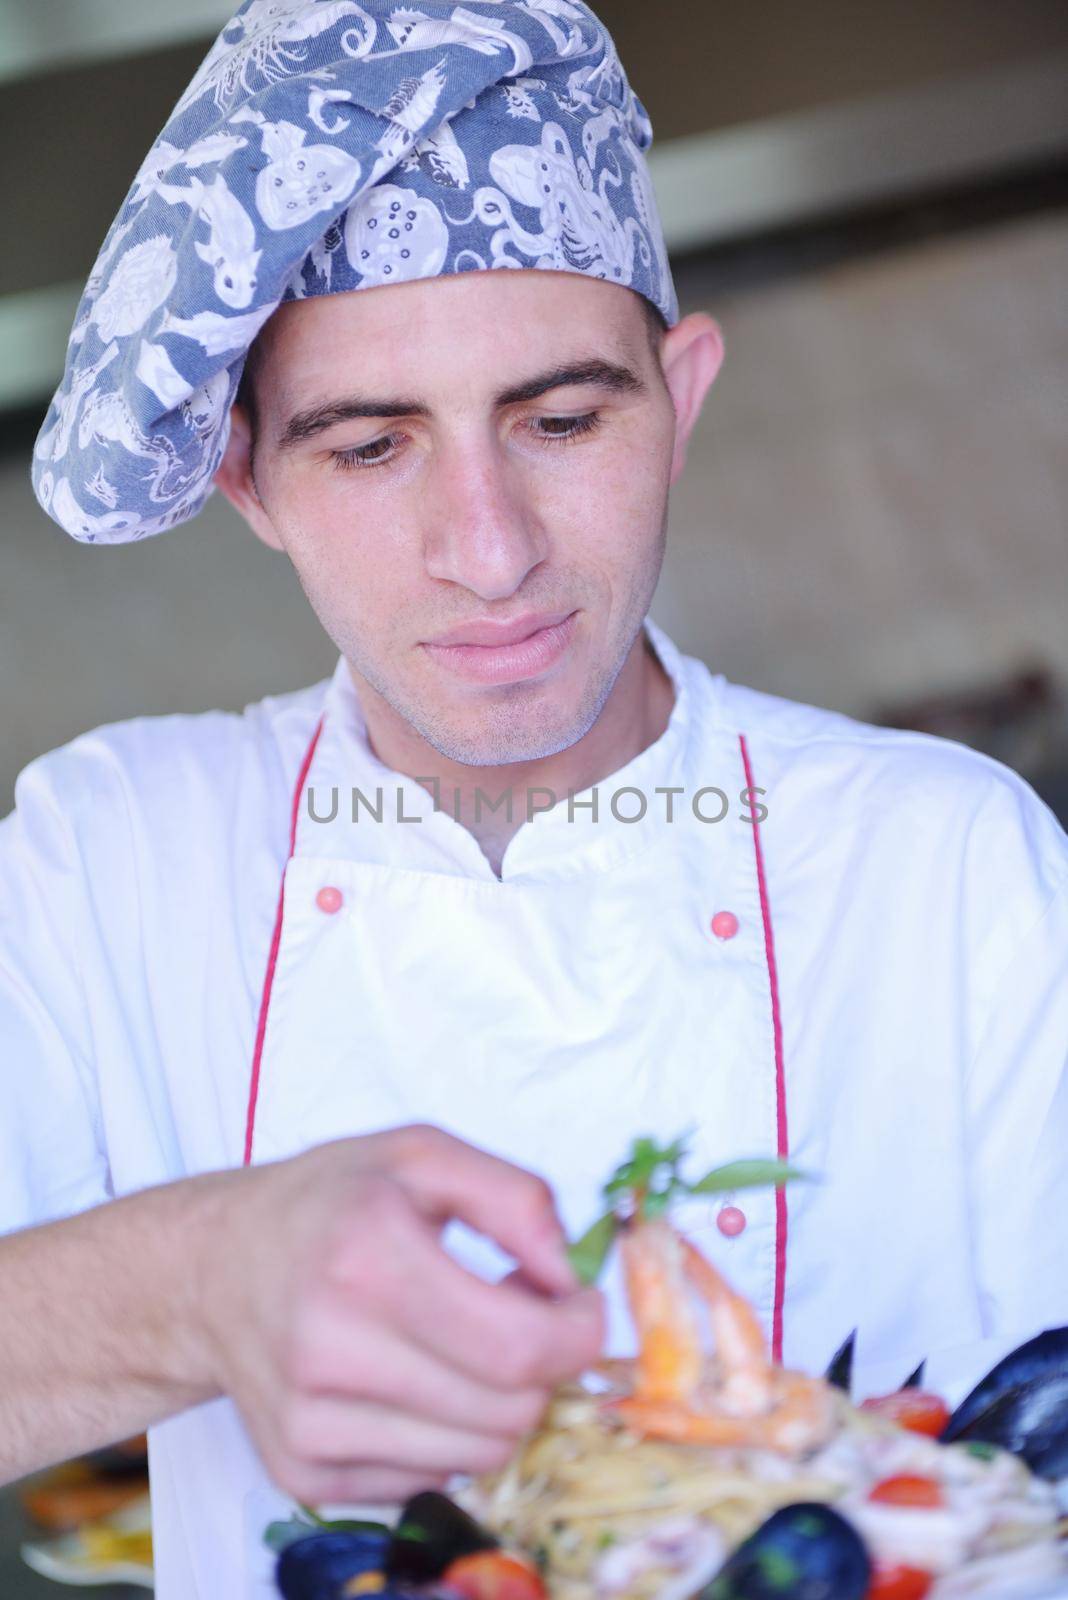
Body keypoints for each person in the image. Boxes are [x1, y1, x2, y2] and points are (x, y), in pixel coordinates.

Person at [4, 1, 1067, 1595]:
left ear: (681, 395)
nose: (490, 550)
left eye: (563, 421)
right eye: (369, 449)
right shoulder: (114, 861)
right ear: (250, 482)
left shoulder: (950, 859)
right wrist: (193, 1283)